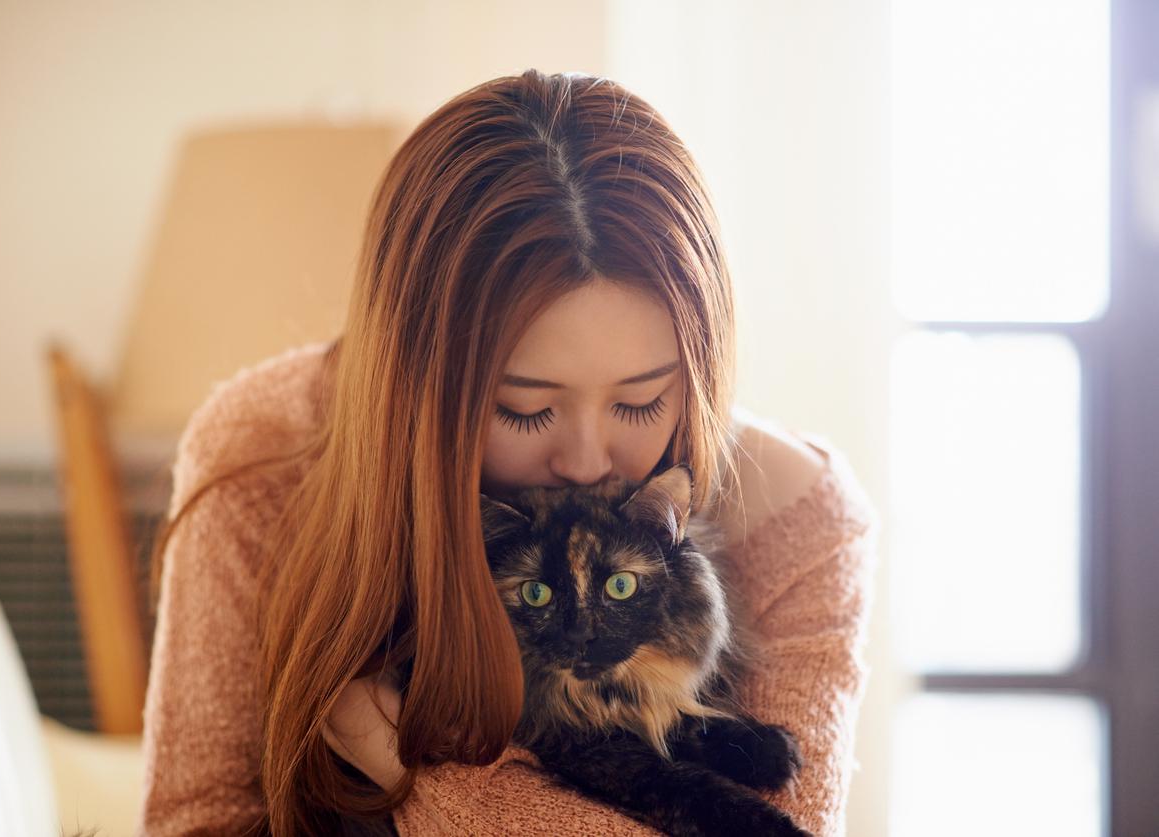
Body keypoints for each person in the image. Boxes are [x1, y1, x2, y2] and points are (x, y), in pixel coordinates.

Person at [136, 68, 880, 836]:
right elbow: (199, 822)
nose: (590, 460)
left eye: (639, 401)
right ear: (420, 385)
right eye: (524, 408)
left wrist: (413, 773)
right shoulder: (266, 447)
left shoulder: (800, 515)